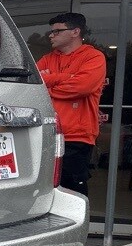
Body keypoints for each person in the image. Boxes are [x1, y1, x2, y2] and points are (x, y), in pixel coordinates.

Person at [37, 13, 107, 197]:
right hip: (46, 134)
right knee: (44, 189)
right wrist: (66, 78)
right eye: (51, 32)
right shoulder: (47, 58)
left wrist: (49, 81)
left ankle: (77, 225)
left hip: (77, 138)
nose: (51, 35)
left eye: (57, 31)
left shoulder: (94, 57)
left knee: (72, 191)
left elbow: (82, 87)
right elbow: (34, 84)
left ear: (75, 32)